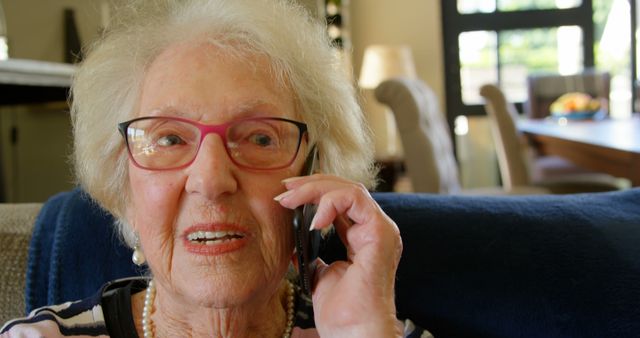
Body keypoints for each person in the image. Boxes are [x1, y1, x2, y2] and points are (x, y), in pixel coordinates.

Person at [1, 0, 430, 337]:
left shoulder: (377, 328)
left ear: (318, 172)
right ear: (124, 186)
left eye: (260, 138)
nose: (211, 181)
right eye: (169, 138)